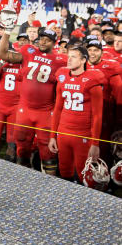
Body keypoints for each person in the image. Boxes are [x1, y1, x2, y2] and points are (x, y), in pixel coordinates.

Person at [0, 26, 66, 173]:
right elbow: (2, 54)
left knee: (48, 153)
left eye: (47, 40)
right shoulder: (28, 51)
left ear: (54, 43)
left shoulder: (60, 60)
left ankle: (50, 186)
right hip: (25, 110)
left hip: (46, 112)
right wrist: (7, 32)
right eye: (41, 38)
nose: (43, 42)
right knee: (22, 149)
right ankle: (23, 181)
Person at [49, 46, 105, 182]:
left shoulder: (92, 79)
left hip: (82, 134)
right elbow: (57, 109)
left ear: (83, 60)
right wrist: (53, 136)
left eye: (73, 57)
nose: (68, 59)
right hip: (63, 132)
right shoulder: (62, 76)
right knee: (64, 171)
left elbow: (98, 115)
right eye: (68, 56)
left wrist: (95, 143)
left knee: (84, 175)